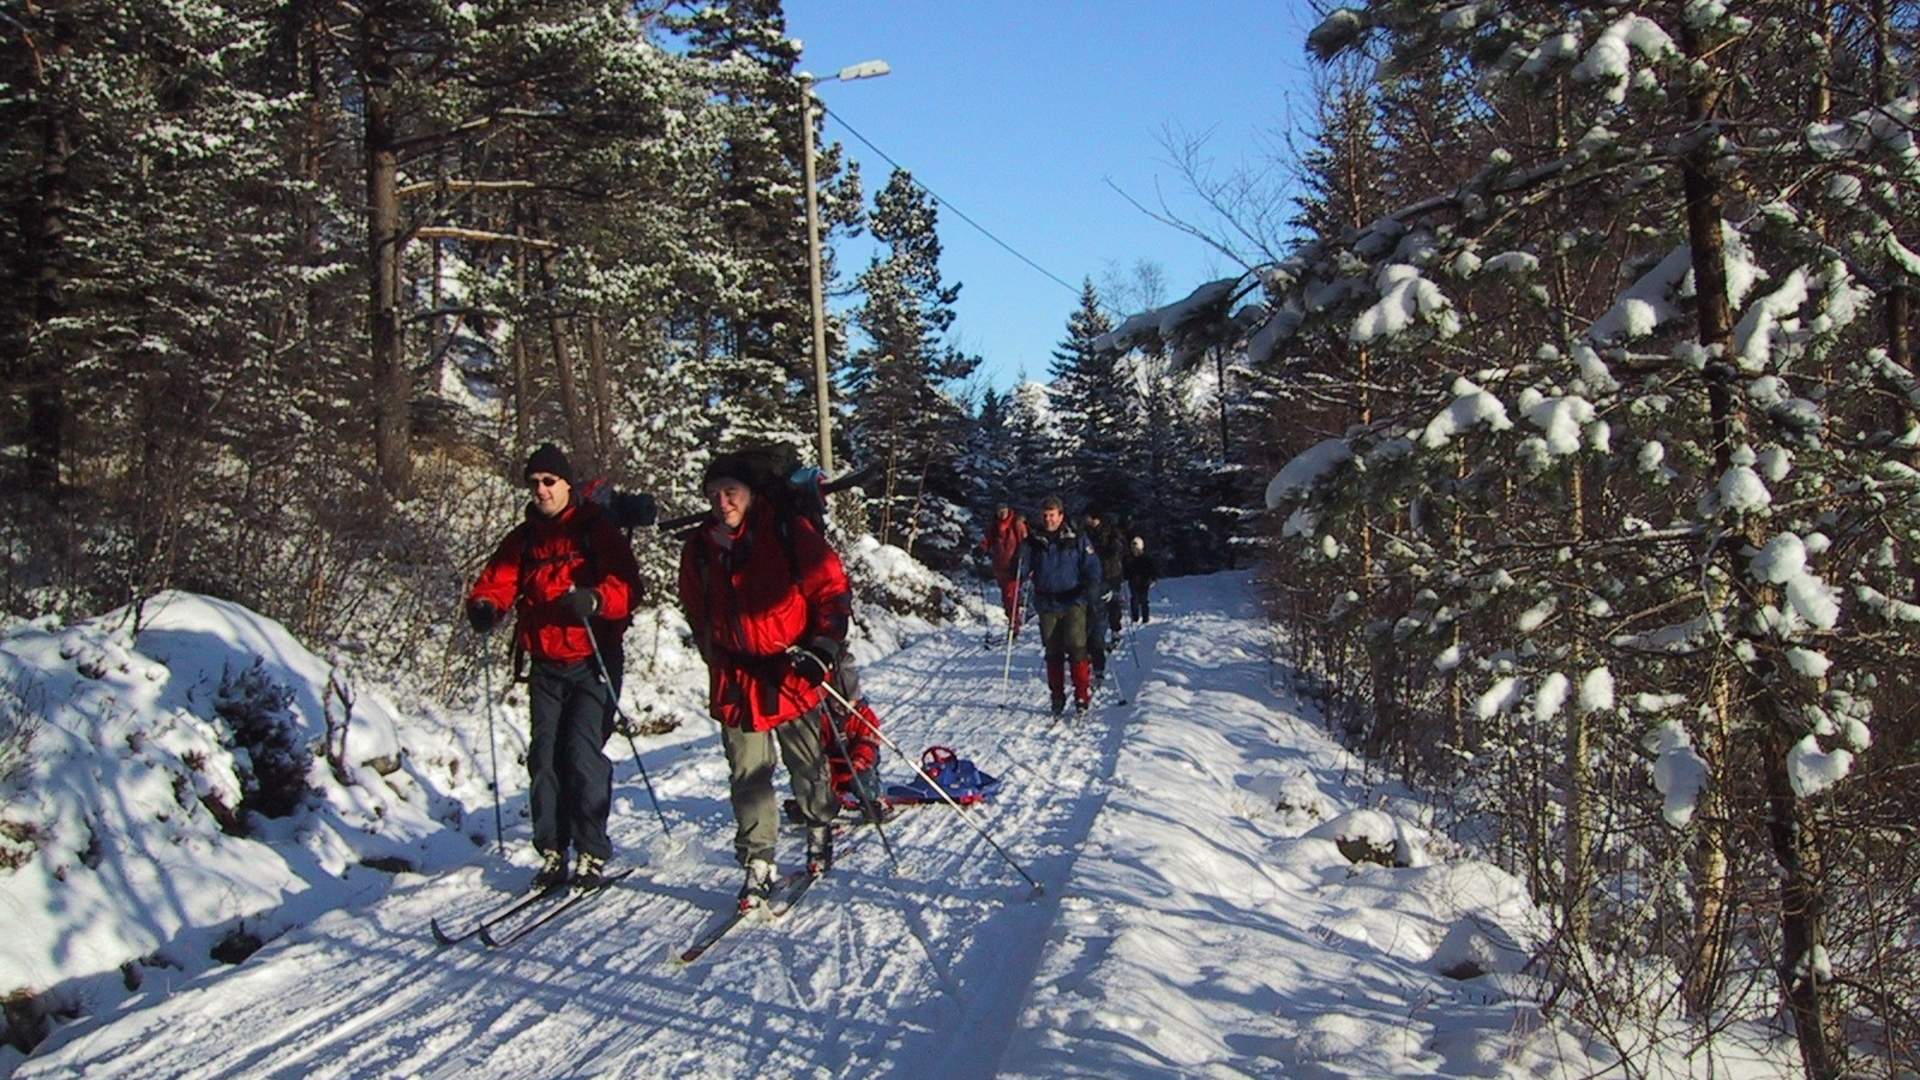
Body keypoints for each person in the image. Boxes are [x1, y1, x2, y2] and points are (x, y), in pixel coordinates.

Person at [678, 450, 850, 910]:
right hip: (736, 676)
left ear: (751, 494)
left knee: (806, 762)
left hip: (790, 668)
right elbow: (695, 607)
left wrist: (823, 647)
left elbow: (831, 589)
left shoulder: (786, 532)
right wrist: (712, 652)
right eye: (714, 494)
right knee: (747, 774)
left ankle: (819, 827)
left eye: (730, 491)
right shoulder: (699, 547)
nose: (722, 501)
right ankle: (758, 861)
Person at [466, 443, 641, 891]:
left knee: (581, 756)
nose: (541, 490)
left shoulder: (596, 531)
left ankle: (590, 849)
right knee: (544, 759)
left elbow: (627, 586)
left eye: (549, 482)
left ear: (567, 484)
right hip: (545, 664)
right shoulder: (523, 538)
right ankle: (551, 849)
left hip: (592, 661)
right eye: (535, 483)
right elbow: (497, 581)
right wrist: (486, 605)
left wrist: (598, 599)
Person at [1020, 495, 1101, 717]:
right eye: (1045, 515)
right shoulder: (1034, 541)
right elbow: (1022, 569)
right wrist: (1018, 565)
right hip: (1046, 602)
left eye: (1052, 515)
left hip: (1073, 599)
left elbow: (1092, 566)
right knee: (1053, 651)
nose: (1048, 520)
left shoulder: (1076, 538)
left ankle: (1082, 694)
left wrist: (1092, 587)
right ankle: (1057, 696)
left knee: (1077, 646)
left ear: (1061, 515)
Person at [1083, 507, 1127, 681]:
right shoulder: (1086, 533)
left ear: (1096, 518)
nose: (1086, 521)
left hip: (1111, 573)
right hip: (1095, 576)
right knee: (1096, 610)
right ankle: (1096, 643)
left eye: (1089, 518)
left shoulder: (1110, 531)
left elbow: (1117, 549)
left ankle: (1115, 629)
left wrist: (1104, 550)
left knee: (1112, 603)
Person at [980, 505, 1028, 637]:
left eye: (1004, 511)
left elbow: (1025, 541)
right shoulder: (994, 526)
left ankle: (1014, 626)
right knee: (1006, 598)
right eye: (999, 511)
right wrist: (981, 549)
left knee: (1010, 596)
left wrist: (1022, 555)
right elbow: (987, 540)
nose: (1002, 514)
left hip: (1014, 567)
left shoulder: (1016, 524)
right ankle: (1013, 621)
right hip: (1000, 567)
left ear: (1008, 511)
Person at [1124, 535, 1158, 624]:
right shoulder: (1129, 559)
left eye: (1136, 549)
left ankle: (1145, 618)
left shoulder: (1146, 558)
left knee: (1144, 600)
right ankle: (1135, 618)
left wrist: (1153, 579)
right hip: (1133, 581)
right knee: (1134, 599)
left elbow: (1152, 569)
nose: (1134, 551)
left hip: (1144, 582)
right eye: (1133, 549)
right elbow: (1126, 570)